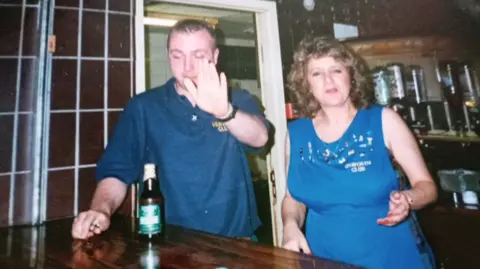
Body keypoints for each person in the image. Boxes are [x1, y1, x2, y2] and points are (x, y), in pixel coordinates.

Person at [71, 19, 269, 240]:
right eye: (177, 56)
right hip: (172, 244)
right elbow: (116, 172)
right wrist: (100, 210)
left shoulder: (237, 99)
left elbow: (260, 137)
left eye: (198, 55)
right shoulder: (144, 107)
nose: (187, 67)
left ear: (215, 56)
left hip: (237, 241)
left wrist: (225, 112)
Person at [280, 35, 438, 269]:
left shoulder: (384, 120)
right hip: (323, 258)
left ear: (351, 76)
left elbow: (427, 187)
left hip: (389, 258)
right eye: (316, 73)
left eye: (336, 70)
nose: (328, 80)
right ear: (306, 85)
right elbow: (293, 197)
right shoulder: (295, 134)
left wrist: (408, 199)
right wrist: (290, 225)